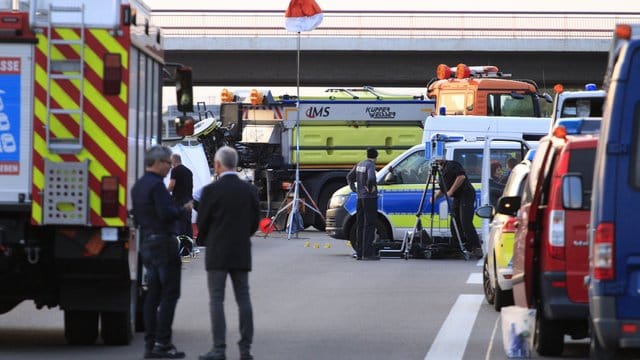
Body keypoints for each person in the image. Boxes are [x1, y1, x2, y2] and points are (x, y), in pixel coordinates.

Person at [197, 146, 260, 360]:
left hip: (217, 252)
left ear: (217, 165)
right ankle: (246, 349)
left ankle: (219, 349)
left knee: (217, 299)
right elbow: (254, 223)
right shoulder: (249, 190)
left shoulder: (210, 191)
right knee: (243, 298)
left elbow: (202, 223)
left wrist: (208, 238)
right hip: (241, 251)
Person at [131, 145, 191, 359]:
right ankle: (163, 344)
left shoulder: (138, 186)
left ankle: (150, 345)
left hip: (147, 242)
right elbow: (166, 213)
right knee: (170, 294)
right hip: (164, 243)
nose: (169, 166)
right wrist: (182, 209)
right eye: (167, 162)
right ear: (157, 163)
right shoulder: (157, 186)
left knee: (153, 295)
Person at [431, 158, 483, 259]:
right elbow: (443, 189)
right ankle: (460, 246)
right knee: (454, 222)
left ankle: (476, 247)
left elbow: (461, 177)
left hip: (466, 194)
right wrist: (434, 198)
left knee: (465, 222)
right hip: (458, 197)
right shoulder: (441, 172)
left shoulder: (452, 165)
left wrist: (451, 191)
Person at [346, 147, 380, 260]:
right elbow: (371, 178)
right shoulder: (370, 165)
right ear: (376, 156)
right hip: (369, 198)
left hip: (360, 198)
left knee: (360, 224)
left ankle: (359, 252)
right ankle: (368, 253)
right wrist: (370, 188)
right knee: (369, 224)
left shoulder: (360, 164)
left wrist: (354, 188)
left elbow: (349, 176)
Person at [168, 153, 194, 239]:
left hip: (179, 200)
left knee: (179, 225)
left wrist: (165, 193)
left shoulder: (175, 170)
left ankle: (180, 247)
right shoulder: (189, 171)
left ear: (174, 160)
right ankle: (188, 246)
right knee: (187, 224)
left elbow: (172, 185)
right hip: (189, 200)